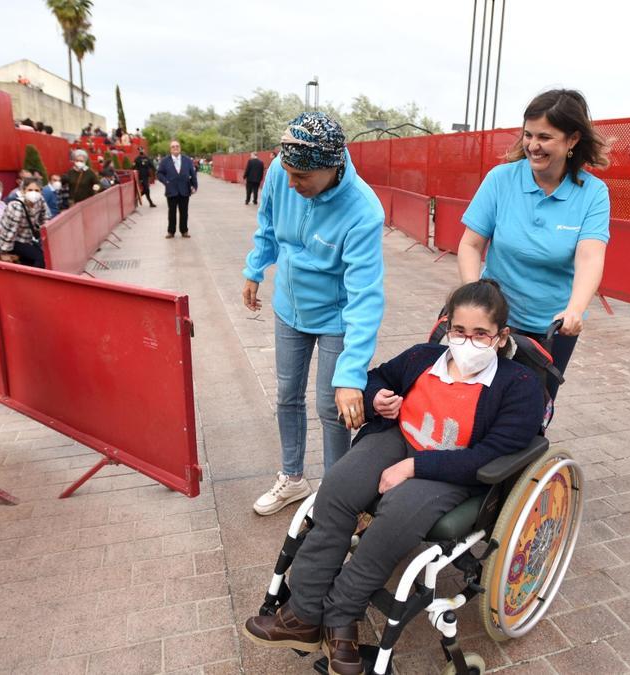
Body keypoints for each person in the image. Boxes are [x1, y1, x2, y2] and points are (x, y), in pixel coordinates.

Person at [244, 280, 544, 675]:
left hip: (453, 468)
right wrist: (376, 399)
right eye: (459, 331)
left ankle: (340, 617)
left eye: (480, 334)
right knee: (337, 488)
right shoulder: (423, 356)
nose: (467, 342)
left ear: (500, 336)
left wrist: (415, 467)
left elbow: (491, 455)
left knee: (396, 516)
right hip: (400, 438)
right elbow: (377, 377)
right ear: (446, 326)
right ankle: (302, 615)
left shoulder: (520, 387)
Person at [241, 112, 385, 515]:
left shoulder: (363, 212)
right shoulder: (281, 173)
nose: (290, 183)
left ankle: (336, 495)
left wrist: (352, 375)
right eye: (286, 172)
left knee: (334, 405)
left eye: (301, 178)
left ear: (331, 167)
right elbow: (267, 222)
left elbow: (365, 296)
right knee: (287, 394)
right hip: (289, 306)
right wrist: (256, 268)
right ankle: (293, 477)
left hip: (337, 316)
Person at [457, 89, 610, 422]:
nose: (532, 145)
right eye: (528, 134)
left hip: (551, 328)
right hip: (493, 320)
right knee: (475, 401)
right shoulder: (501, 180)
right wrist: (472, 298)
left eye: (545, 137)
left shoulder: (593, 193)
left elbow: (589, 256)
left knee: (532, 412)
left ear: (572, 140)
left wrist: (575, 309)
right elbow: (470, 244)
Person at [0, 177, 49, 268]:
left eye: (37, 190)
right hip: (13, 241)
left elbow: (45, 218)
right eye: (30, 190)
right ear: (23, 191)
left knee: (44, 254)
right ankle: (34, 280)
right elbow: (10, 232)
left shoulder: (40, 200)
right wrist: (4, 252)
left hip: (28, 238)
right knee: (41, 258)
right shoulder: (17, 206)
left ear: (41, 192)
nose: (34, 193)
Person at [156, 139, 197, 239]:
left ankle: (184, 231)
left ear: (180, 148)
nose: (175, 148)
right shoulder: (165, 161)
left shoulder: (187, 160)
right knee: (172, 212)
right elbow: (159, 173)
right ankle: (171, 231)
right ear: (170, 149)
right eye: (173, 146)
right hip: (171, 190)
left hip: (184, 190)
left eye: (177, 146)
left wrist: (194, 186)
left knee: (184, 212)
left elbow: (193, 173)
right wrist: (166, 182)